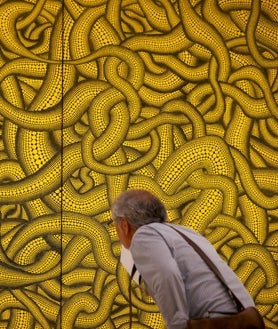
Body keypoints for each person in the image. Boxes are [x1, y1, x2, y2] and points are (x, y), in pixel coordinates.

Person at [111, 189, 256, 329]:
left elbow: (166, 274)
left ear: (124, 224)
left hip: (213, 319)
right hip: (243, 315)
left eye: (115, 224)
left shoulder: (143, 235)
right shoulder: (186, 232)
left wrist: (177, 326)